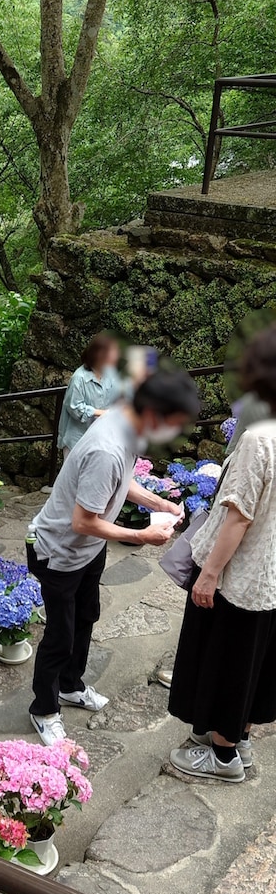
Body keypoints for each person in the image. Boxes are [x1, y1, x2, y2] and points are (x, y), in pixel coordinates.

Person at [26, 369, 199, 745]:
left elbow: (121, 481)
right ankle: (43, 708)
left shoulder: (125, 423)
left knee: (86, 617)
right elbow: (83, 521)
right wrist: (141, 535)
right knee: (60, 634)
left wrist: (159, 502)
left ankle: (70, 686)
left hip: (87, 550)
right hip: (58, 552)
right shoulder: (107, 447)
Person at [167, 327, 276, 782]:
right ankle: (238, 738)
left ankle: (222, 756)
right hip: (269, 574)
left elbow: (238, 517)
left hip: (240, 572)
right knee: (252, 658)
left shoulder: (260, 439)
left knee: (225, 658)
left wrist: (208, 574)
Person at [58, 333, 122, 456]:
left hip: (100, 439)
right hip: (77, 440)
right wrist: (100, 413)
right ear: (100, 355)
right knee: (74, 474)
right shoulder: (79, 378)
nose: (117, 355)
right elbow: (74, 407)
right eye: (113, 352)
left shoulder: (111, 374)